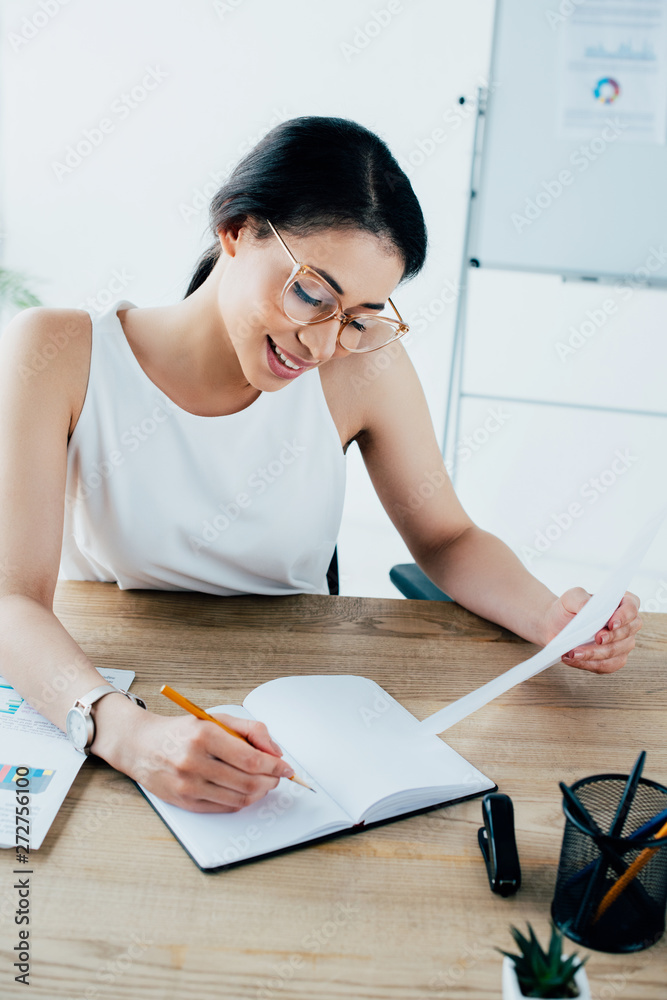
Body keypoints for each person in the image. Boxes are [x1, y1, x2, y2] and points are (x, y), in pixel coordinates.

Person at [0, 116, 642, 814]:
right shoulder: (60, 353)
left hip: (298, 710)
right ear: (237, 230)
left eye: (358, 316)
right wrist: (127, 734)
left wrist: (550, 618)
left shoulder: (362, 367)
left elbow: (446, 537)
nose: (323, 345)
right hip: (109, 691)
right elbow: (11, 602)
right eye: (311, 294)